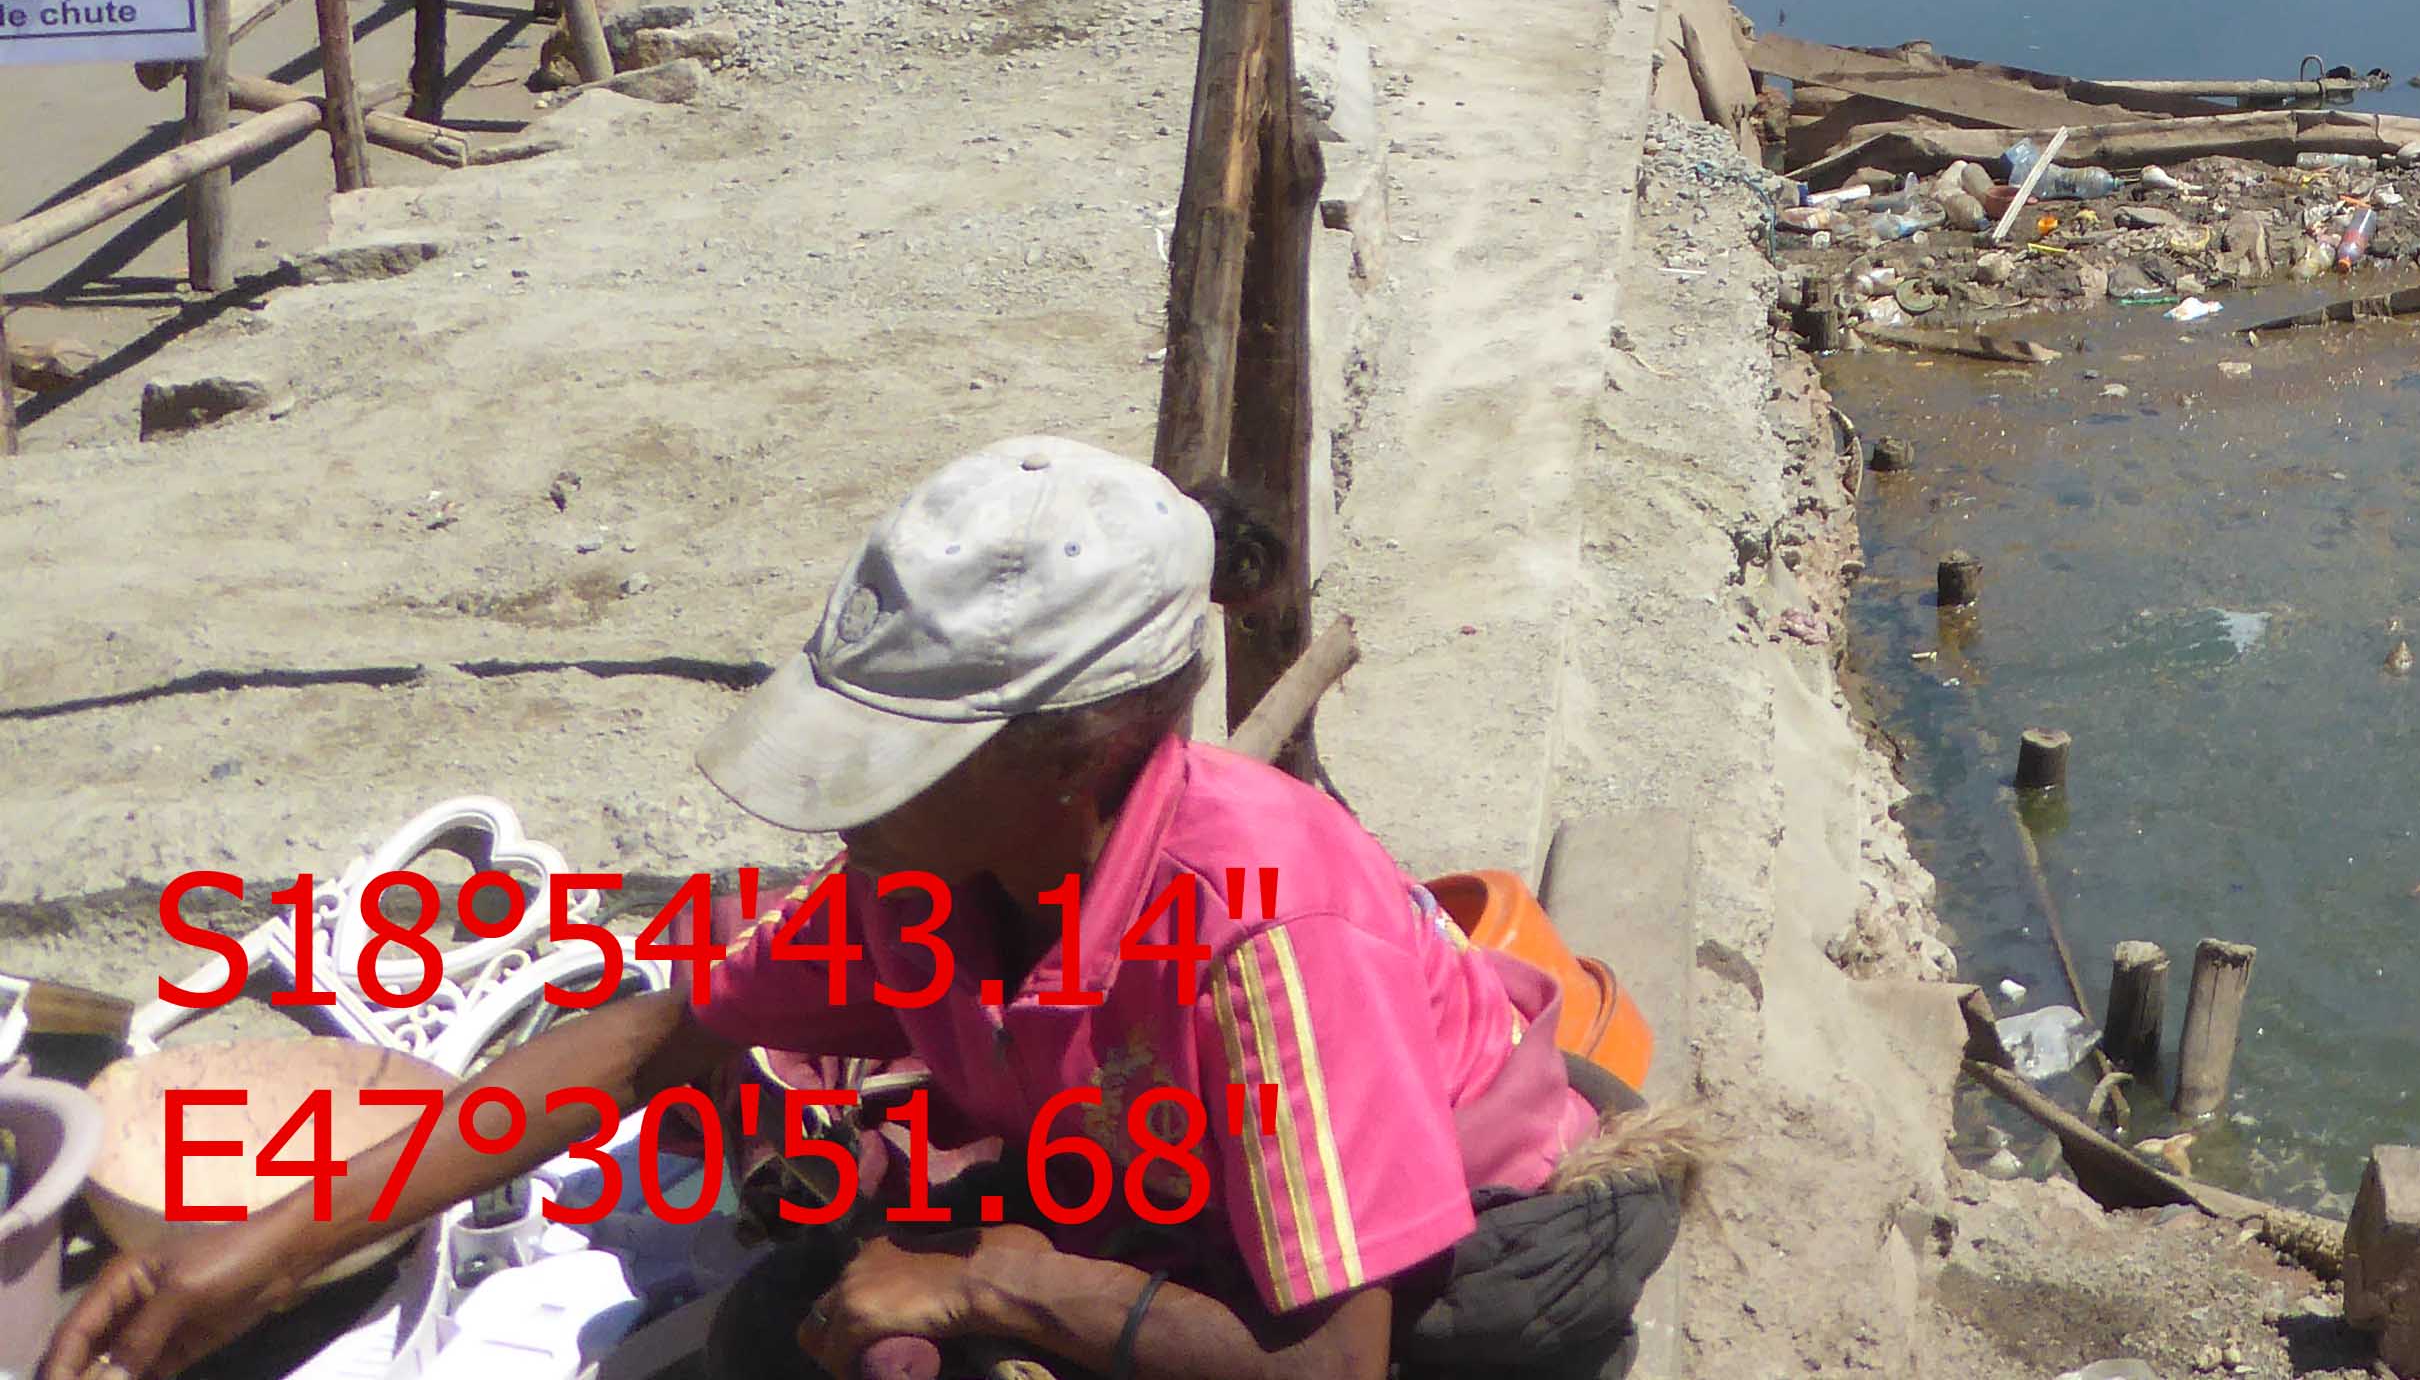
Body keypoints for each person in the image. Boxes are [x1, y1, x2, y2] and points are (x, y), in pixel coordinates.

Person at [42, 437, 1675, 1380]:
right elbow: (645, 1045)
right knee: (775, 1328)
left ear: (1079, 755)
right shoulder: (935, 876)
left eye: (895, 759)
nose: (848, 805)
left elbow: (1329, 1361)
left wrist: (998, 1286)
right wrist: (263, 1252)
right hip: (1180, 1208)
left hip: (1449, 1263)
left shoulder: (1264, 922)